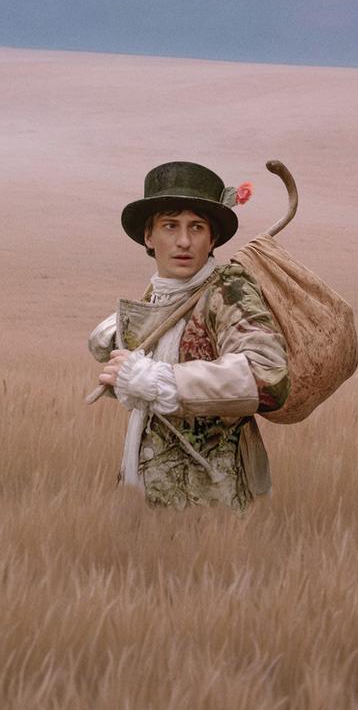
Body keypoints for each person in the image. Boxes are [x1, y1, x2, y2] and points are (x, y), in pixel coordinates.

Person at [89, 161, 291, 510]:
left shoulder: (228, 290)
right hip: (145, 500)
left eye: (196, 227)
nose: (184, 241)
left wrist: (158, 380)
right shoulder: (156, 296)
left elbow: (269, 376)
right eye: (170, 226)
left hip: (211, 505)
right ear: (149, 237)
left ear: (212, 238)